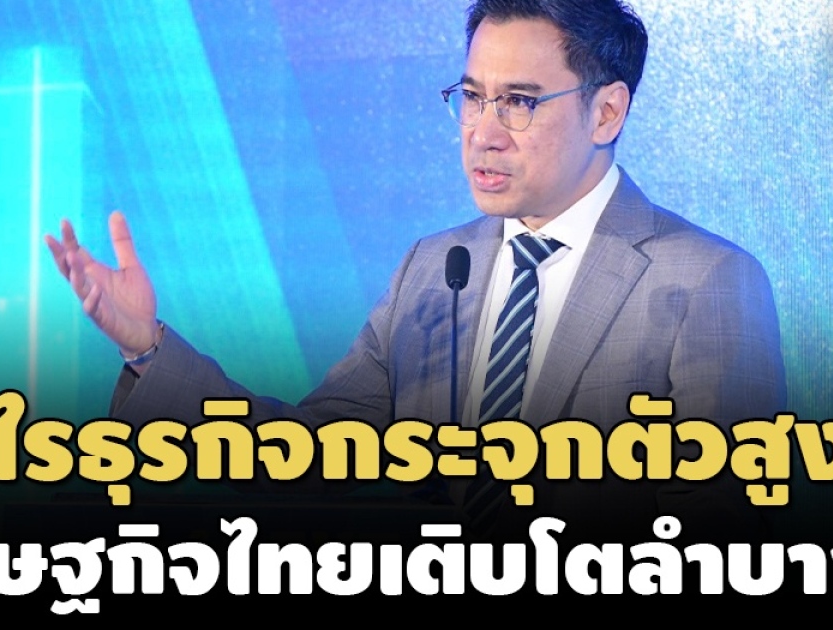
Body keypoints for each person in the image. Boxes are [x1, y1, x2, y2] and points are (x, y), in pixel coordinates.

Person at [46, 0, 786, 543]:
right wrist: (148, 348)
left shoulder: (707, 281)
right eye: (472, 97)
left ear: (607, 113)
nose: (483, 132)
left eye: (519, 102)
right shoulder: (432, 271)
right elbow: (310, 455)